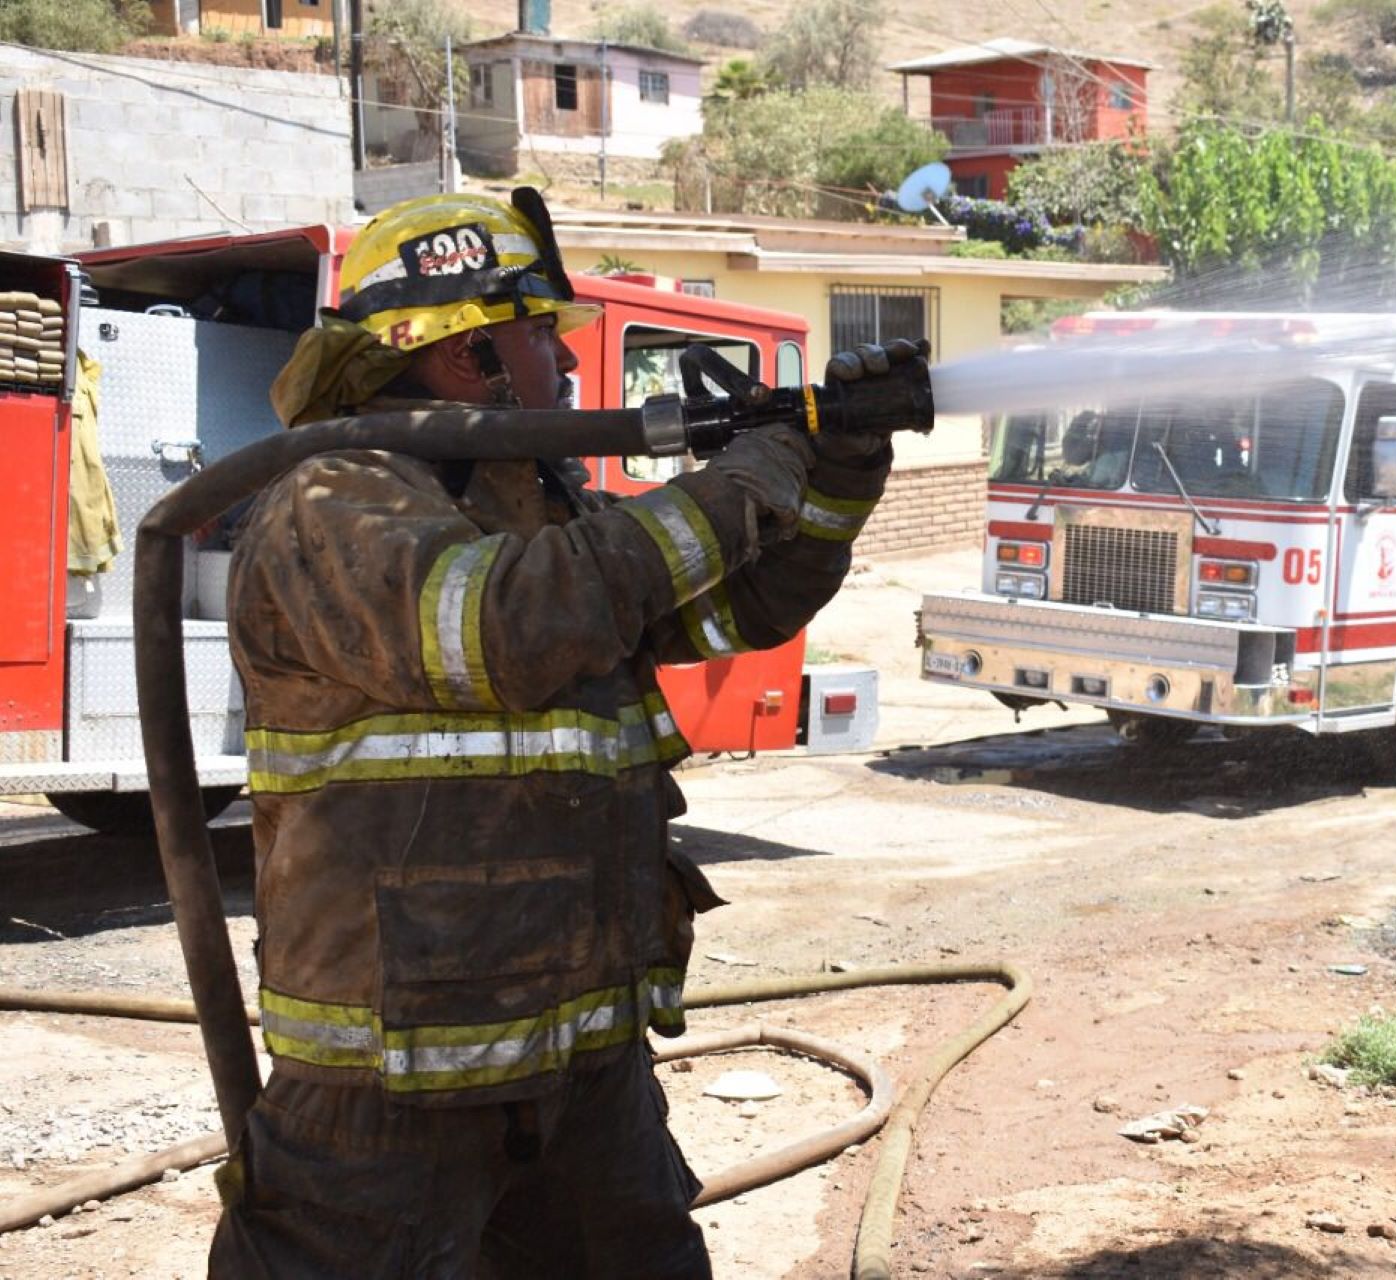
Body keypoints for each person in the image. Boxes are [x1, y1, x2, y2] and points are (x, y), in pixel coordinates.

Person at [210, 188, 919, 1278]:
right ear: (464, 358)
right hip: (390, 1088)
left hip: (582, 1065)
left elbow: (742, 610)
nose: (569, 362)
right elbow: (510, 623)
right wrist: (742, 482)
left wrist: (839, 471)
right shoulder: (334, 500)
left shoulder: (544, 509)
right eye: (541, 332)